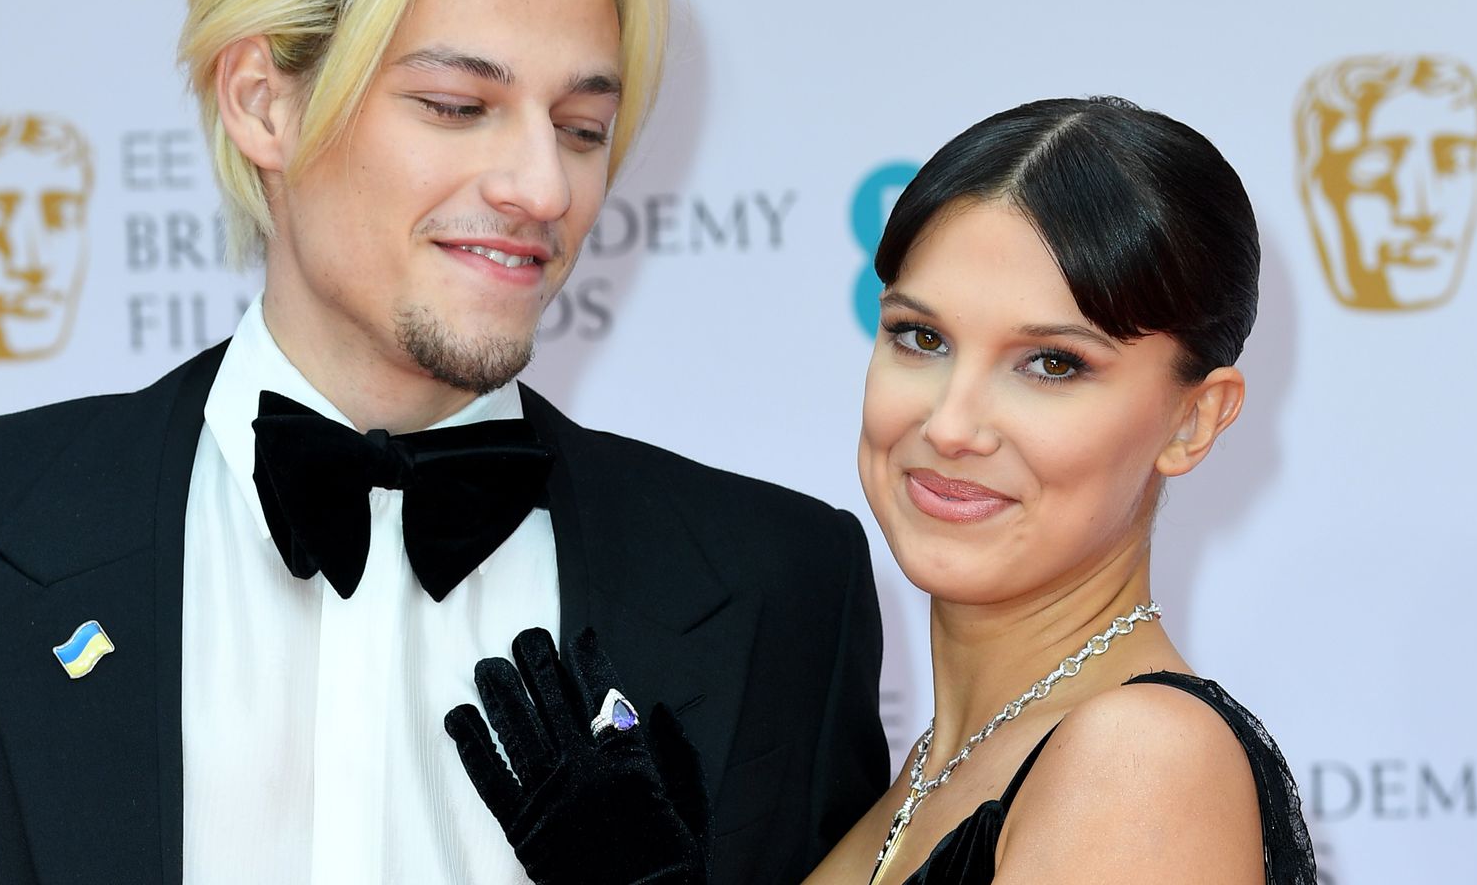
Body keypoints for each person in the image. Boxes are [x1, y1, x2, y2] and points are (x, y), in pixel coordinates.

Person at [0, 0, 886, 883]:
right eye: (456, 104)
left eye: (581, 128)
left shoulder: (782, 588)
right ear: (263, 104)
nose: (543, 187)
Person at [452, 97, 1316, 885]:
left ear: (1194, 421)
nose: (951, 424)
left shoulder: (1139, 761)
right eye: (920, 337)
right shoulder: (925, 777)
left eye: (1052, 364)